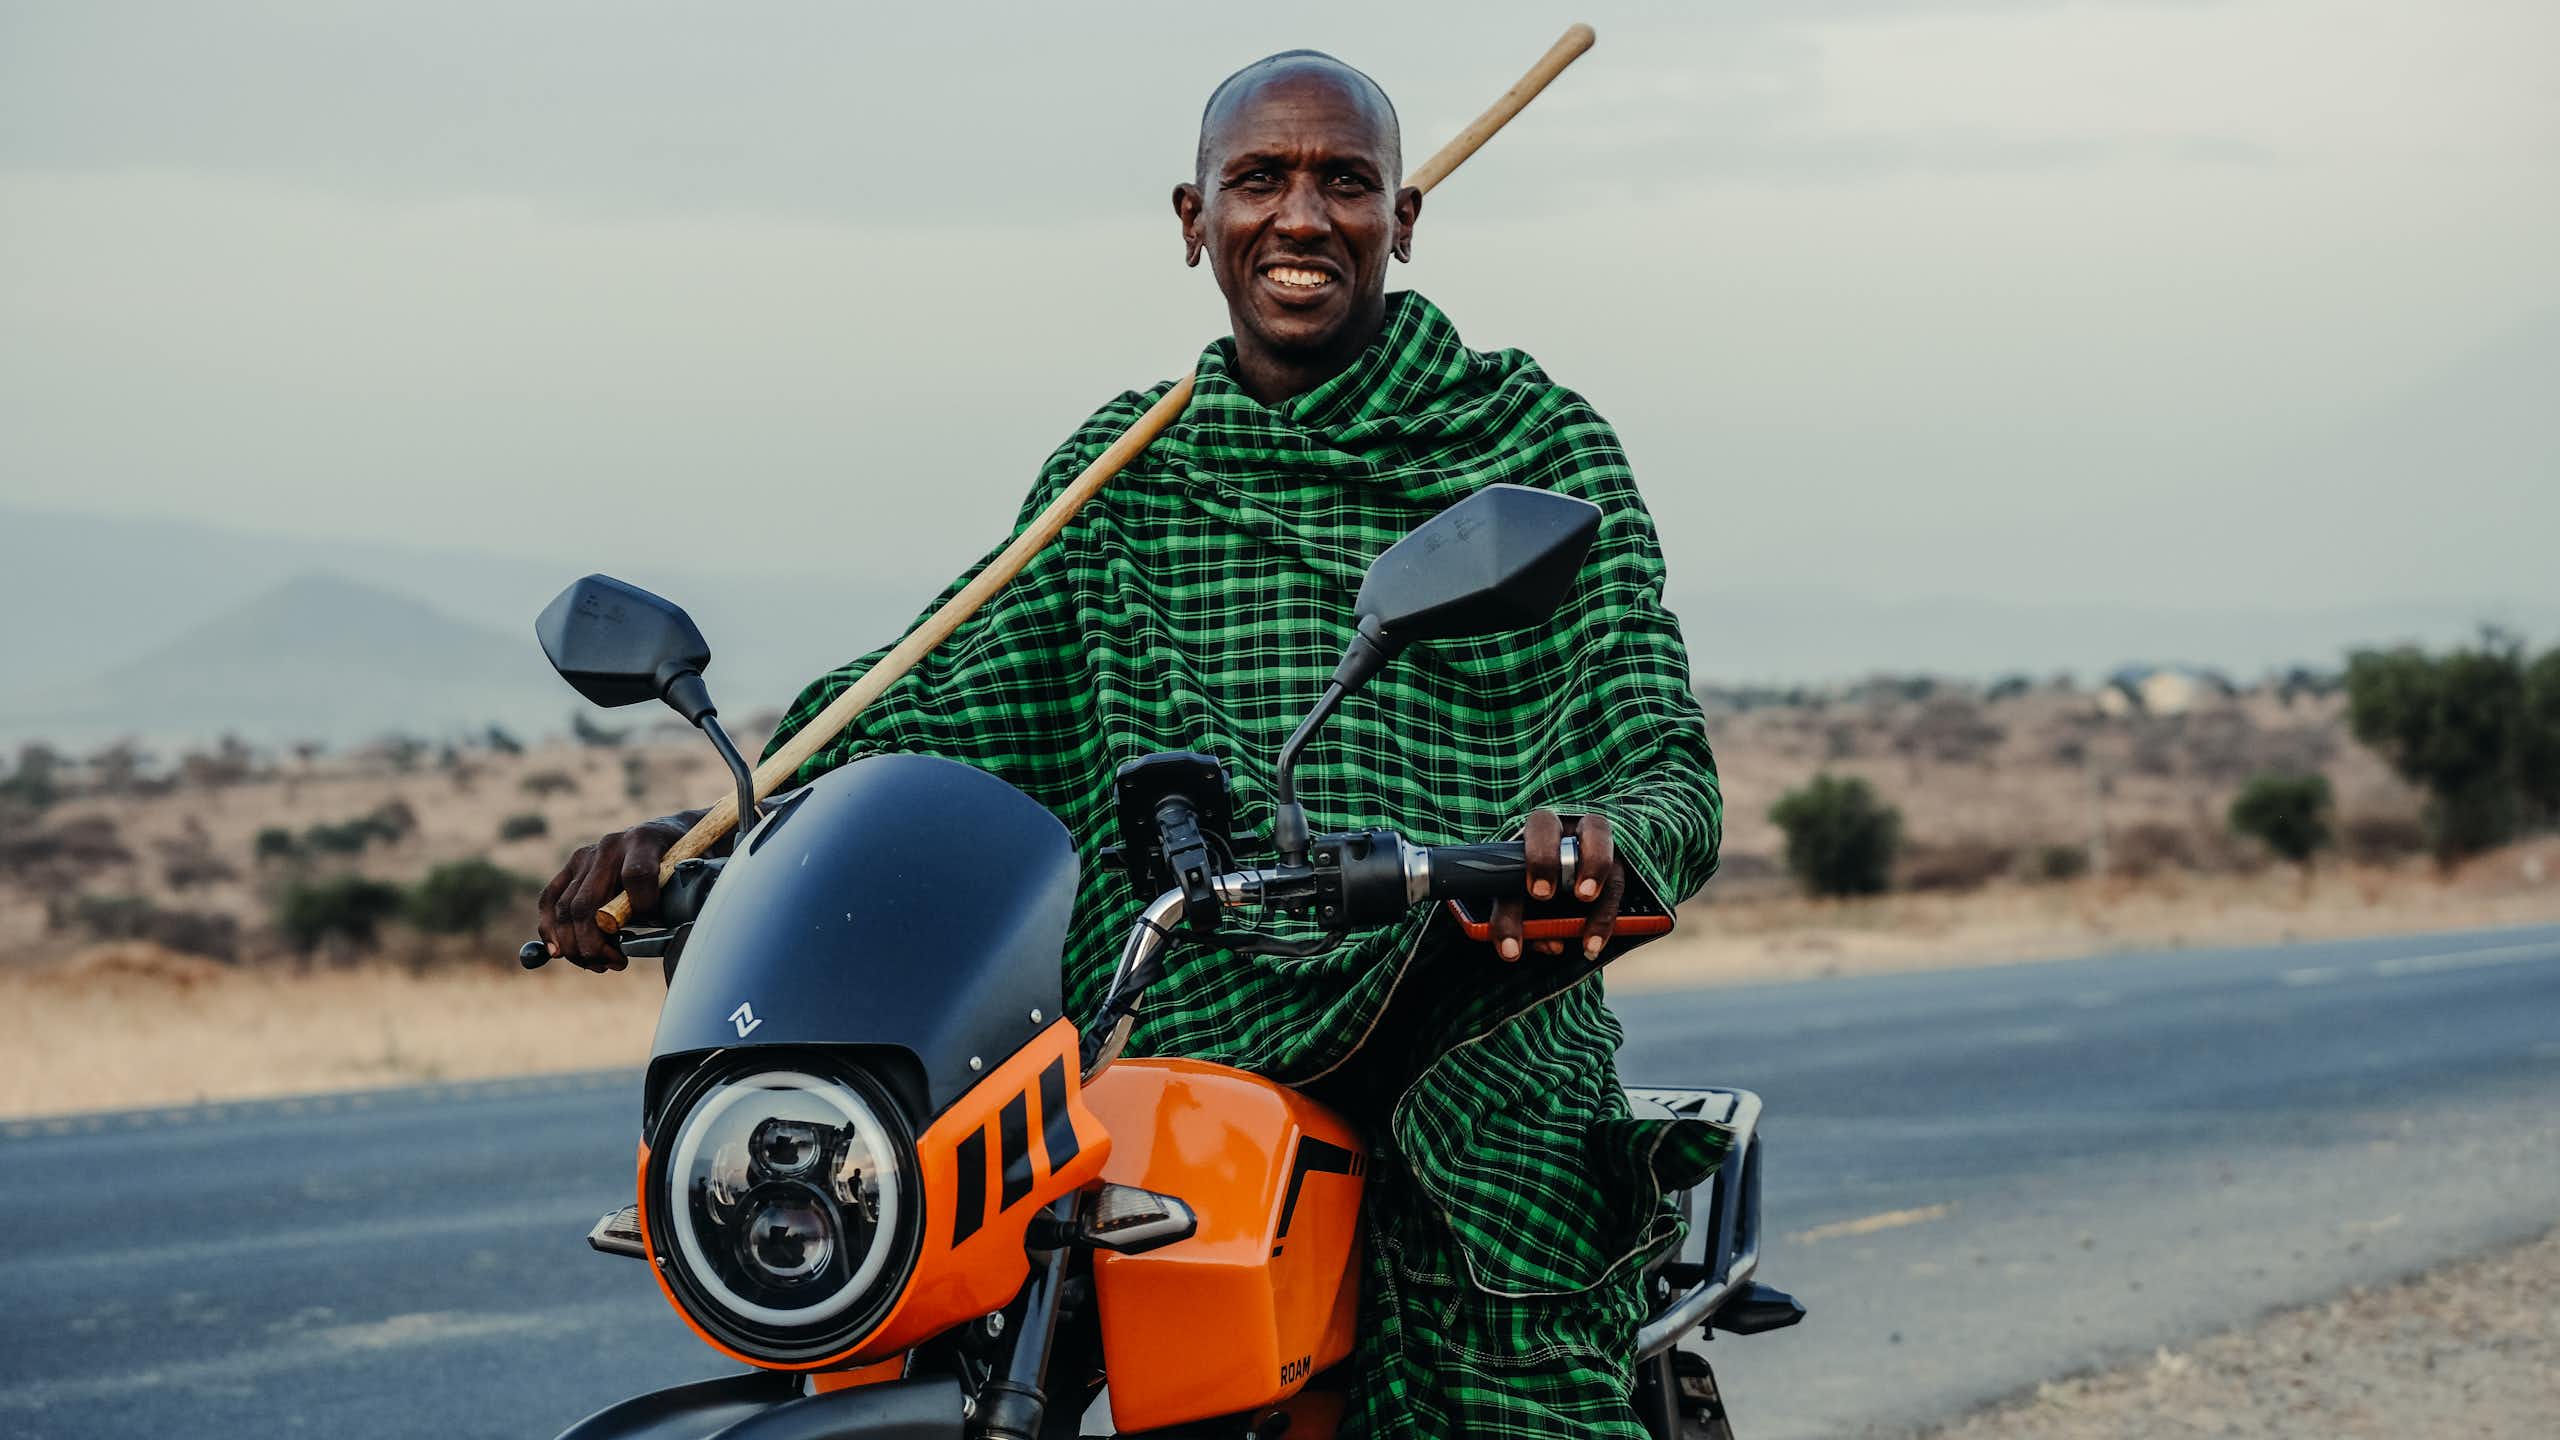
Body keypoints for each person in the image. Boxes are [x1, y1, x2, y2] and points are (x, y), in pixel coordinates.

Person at [537, 50, 1725, 1439]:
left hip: (1459, 1006)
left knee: (1515, 1341)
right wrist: (728, 831)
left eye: (1345, 183)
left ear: (1402, 219)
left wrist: (1592, 846)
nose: (1300, 218)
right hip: (1167, 1020)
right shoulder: (1124, 473)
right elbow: (933, 699)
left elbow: (1663, 761)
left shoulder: (1530, 443)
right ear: (1192, 219)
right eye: (1259, 181)